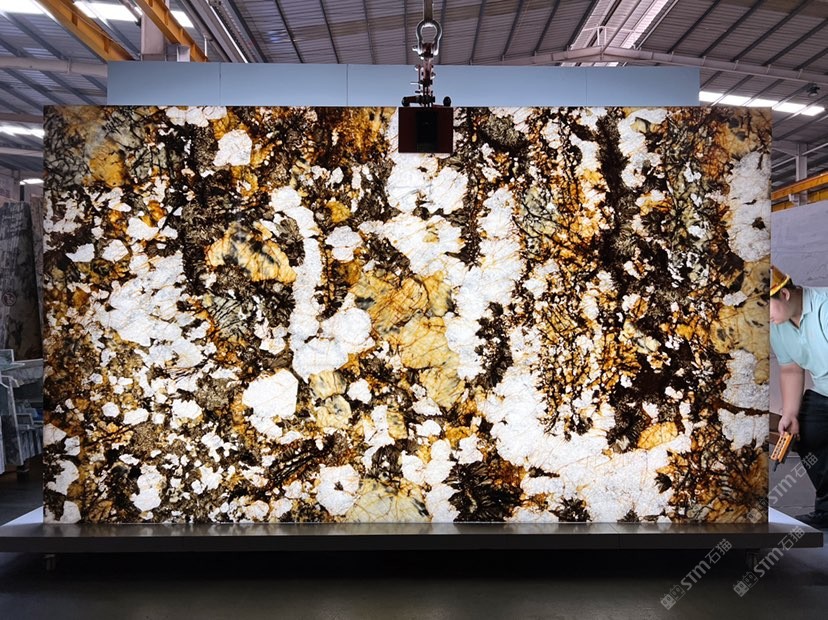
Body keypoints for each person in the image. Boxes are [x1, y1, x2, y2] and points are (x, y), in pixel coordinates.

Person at [769, 265, 828, 528]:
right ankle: (827, 510)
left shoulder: (824, 307)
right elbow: (791, 369)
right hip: (824, 390)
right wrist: (790, 414)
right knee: (807, 432)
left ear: (784, 294)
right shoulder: (778, 324)